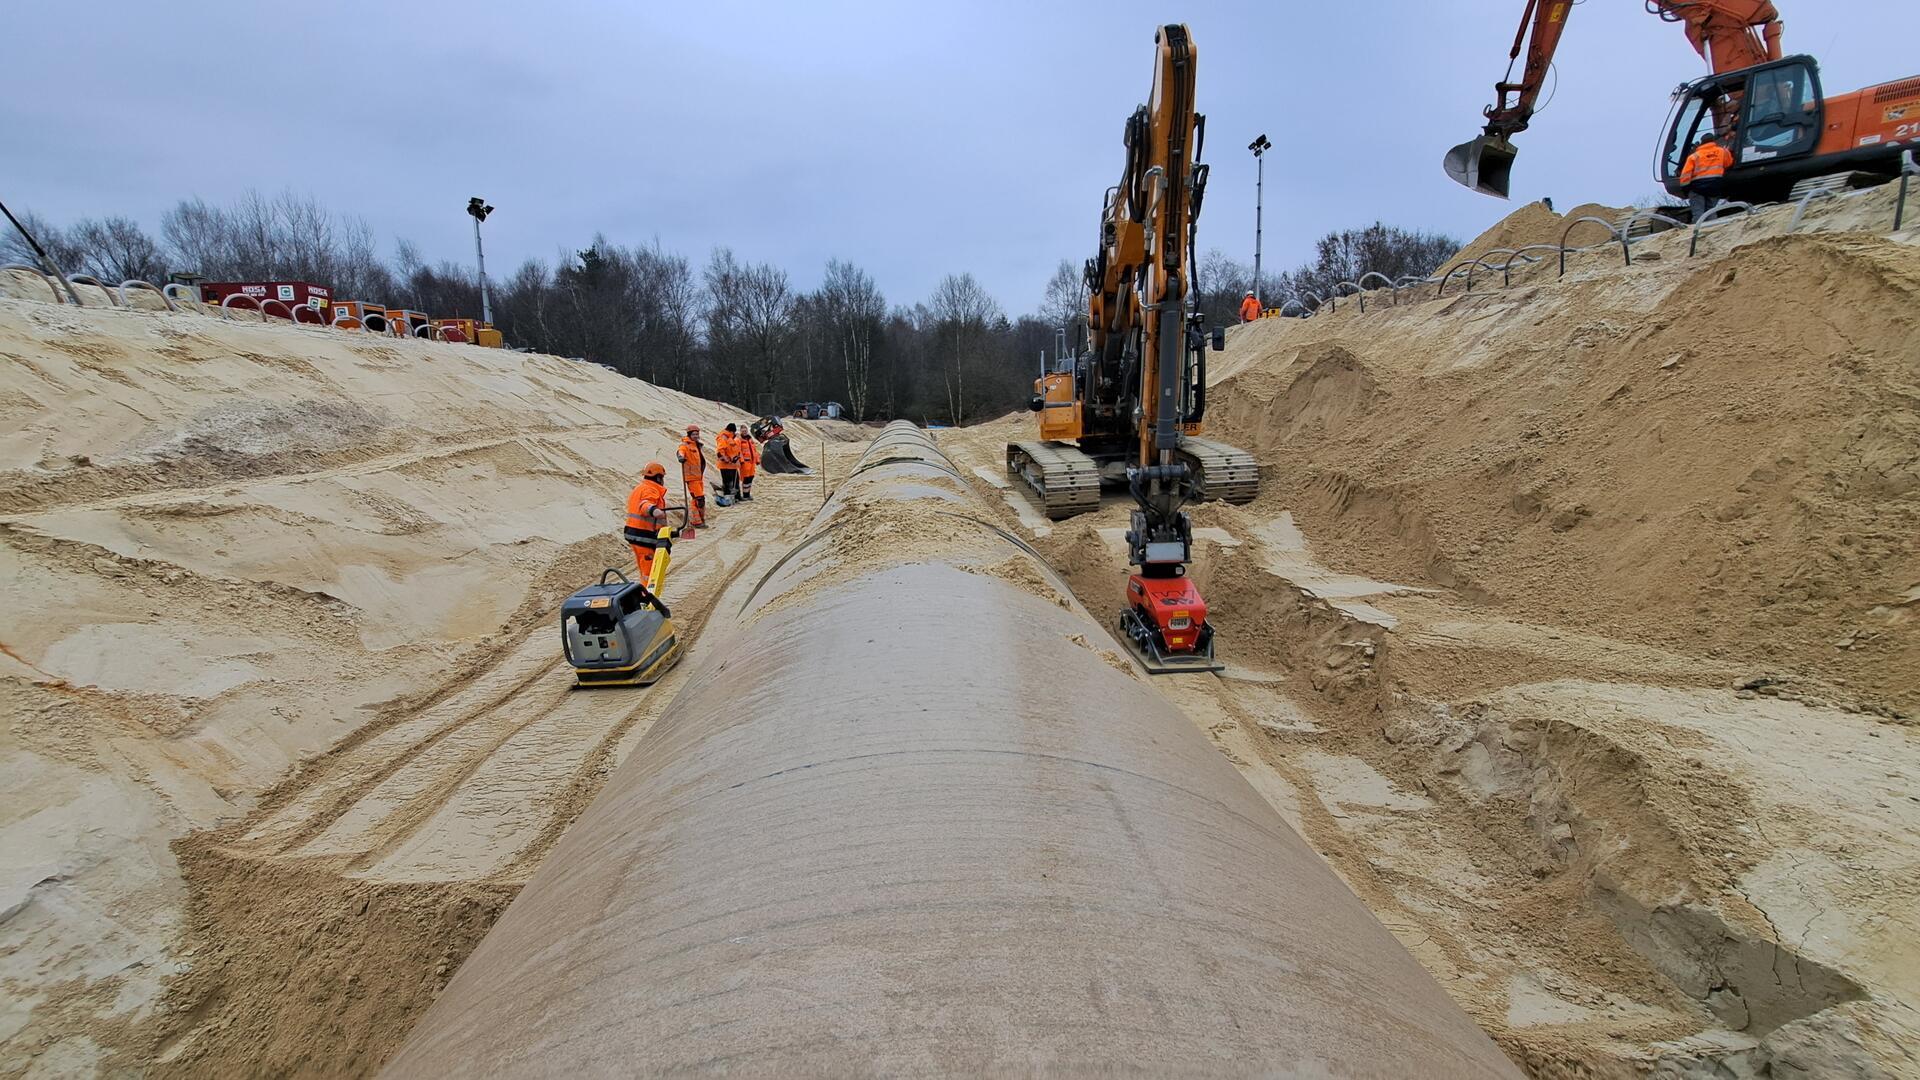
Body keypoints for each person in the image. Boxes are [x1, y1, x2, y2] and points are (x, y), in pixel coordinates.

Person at [624, 462, 670, 582]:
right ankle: (647, 597)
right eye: (662, 478)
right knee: (650, 572)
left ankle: (644, 593)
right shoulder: (651, 490)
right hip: (644, 535)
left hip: (633, 533)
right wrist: (654, 510)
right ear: (659, 477)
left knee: (644, 568)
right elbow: (645, 505)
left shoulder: (639, 488)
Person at [1680, 132, 1733, 221]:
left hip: (1697, 188)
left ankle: (1697, 231)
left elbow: (1685, 175)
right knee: (1711, 211)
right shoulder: (1722, 151)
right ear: (1713, 141)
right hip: (1715, 185)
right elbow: (1728, 163)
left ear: (1701, 142)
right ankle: (1712, 229)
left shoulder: (1694, 156)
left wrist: (1686, 189)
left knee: (1698, 214)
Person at [676, 425, 709, 530]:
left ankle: (699, 519)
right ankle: (696, 521)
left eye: (697, 434)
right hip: (691, 478)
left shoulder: (696, 445)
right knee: (699, 499)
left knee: (697, 499)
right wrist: (680, 456)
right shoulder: (686, 445)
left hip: (699, 477)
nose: (696, 436)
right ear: (689, 435)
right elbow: (680, 451)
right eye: (694, 434)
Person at [716, 423, 741, 498]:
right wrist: (725, 458)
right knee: (728, 482)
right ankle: (728, 496)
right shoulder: (724, 437)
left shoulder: (729, 437)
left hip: (732, 464)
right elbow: (720, 450)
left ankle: (736, 496)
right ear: (732, 431)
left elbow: (732, 450)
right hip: (726, 464)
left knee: (735, 481)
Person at [737, 424, 759, 500]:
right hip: (745, 463)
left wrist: (757, 459)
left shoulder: (750, 439)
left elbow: (754, 450)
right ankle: (745, 495)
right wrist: (741, 460)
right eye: (743, 431)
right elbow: (738, 451)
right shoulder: (739, 440)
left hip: (752, 462)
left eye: (745, 430)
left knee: (751, 478)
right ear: (740, 431)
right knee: (745, 479)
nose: (745, 432)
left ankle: (748, 494)